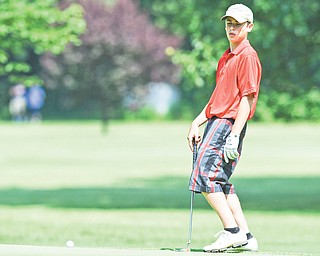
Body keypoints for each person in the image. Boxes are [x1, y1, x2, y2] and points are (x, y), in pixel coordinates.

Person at [186, 4, 262, 253]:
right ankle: (246, 236)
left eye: (237, 24)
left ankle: (232, 232)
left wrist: (234, 134)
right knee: (219, 180)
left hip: (228, 124)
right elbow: (219, 96)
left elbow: (247, 98)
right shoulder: (226, 57)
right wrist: (198, 120)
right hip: (218, 121)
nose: (232, 28)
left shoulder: (247, 56)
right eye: (229, 23)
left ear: (249, 27)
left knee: (204, 176)